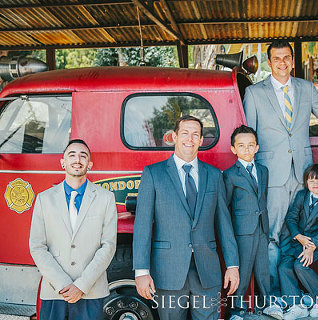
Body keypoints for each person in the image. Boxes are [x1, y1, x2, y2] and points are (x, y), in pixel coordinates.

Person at [243, 40, 318, 294]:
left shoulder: (306, 88)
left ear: (293, 60)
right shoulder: (254, 93)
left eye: (287, 58)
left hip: (303, 175)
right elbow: (248, 136)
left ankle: (295, 293)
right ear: (269, 62)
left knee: (298, 232)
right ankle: (272, 295)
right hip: (271, 175)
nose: (282, 63)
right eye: (277, 59)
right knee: (273, 235)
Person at [133, 115, 240, 320]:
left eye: (195, 135)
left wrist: (232, 266)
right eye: (185, 133)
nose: (189, 139)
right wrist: (141, 272)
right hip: (168, 272)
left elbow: (224, 224)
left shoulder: (215, 175)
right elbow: (143, 226)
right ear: (174, 137)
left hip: (207, 272)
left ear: (201, 141)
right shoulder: (153, 174)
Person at [29, 139, 117, 320]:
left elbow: (108, 246)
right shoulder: (44, 199)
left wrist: (82, 286)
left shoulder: (106, 198)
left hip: (90, 291)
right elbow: (37, 246)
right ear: (63, 162)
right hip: (55, 291)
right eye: (72, 155)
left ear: (89, 164)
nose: (77, 160)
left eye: (83, 156)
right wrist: (63, 283)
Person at [223, 125, 283, 320]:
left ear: (257, 147)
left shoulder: (263, 171)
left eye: (251, 145)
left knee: (263, 268)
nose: (247, 149)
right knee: (242, 269)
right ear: (234, 149)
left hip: (261, 228)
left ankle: (267, 304)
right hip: (242, 231)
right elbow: (226, 206)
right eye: (241, 146)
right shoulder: (230, 175)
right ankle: (236, 311)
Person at [278, 164, 318, 320]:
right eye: (311, 181)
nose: (315, 185)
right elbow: (291, 218)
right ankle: (296, 305)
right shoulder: (301, 196)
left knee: (300, 265)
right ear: (306, 182)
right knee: (284, 267)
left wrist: (311, 246)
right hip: (298, 241)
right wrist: (298, 236)